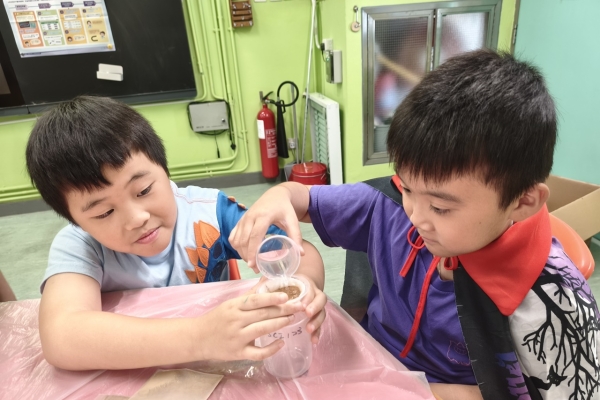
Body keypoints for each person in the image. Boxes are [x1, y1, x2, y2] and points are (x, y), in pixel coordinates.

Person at [230, 50, 600, 400]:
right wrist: (280, 194)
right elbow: (303, 199)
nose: (416, 217)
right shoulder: (389, 204)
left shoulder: (552, 301)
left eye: (440, 207)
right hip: (369, 362)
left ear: (522, 202)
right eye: (407, 187)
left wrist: (412, 390)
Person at [25, 96, 326, 371]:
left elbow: (302, 255)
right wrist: (200, 337)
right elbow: (62, 336)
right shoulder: (79, 246)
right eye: (104, 212)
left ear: (165, 171)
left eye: (144, 190)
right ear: (76, 221)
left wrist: (304, 284)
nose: (137, 219)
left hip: (216, 370)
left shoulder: (209, 212)